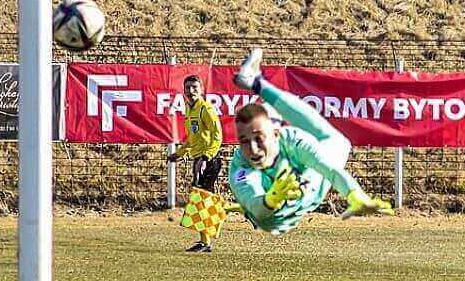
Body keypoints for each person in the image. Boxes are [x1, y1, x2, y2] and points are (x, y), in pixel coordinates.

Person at [228, 48, 393, 235]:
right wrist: (270, 199)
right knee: (336, 141)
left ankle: (256, 83)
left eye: (259, 138)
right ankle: (256, 83)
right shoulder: (240, 165)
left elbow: (329, 168)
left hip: (310, 189)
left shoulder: (292, 140)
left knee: (336, 142)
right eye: (245, 141)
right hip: (276, 217)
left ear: (276, 133)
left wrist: (354, 194)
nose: (253, 148)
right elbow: (255, 204)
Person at [168, 73, 227, 253]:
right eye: (188, 88)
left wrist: (206, 157)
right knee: (201, 199)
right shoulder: (190, 109)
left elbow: (218, 136)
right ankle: (204, 242)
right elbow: (192, 139)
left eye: (194, 87)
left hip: (209, 160)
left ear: (201, 90)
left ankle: (206, 242)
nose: (191, 91)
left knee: (201, 199)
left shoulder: (205, 109)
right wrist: (178, 154)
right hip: (199, 158)